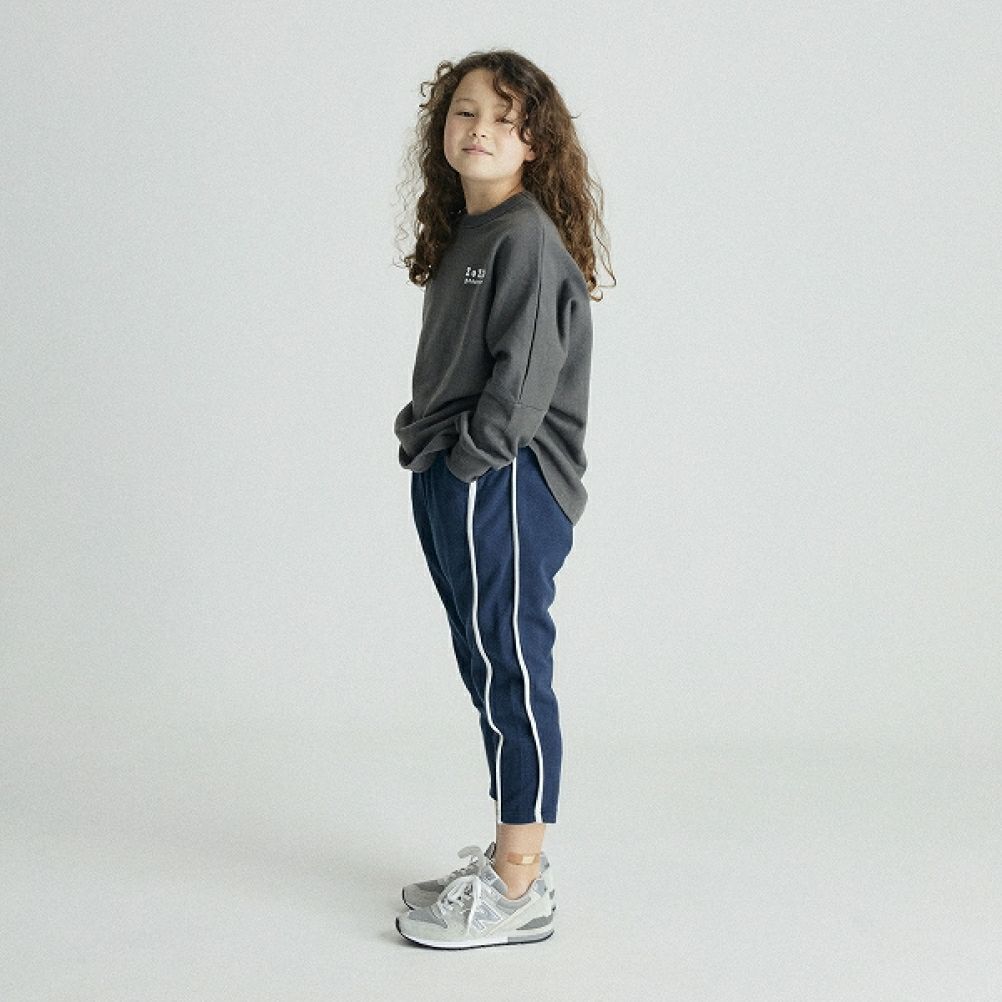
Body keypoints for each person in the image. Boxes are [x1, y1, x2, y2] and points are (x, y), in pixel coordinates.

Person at [391, 48, 614, 949]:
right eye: (464, 111)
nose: (478, 128)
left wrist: (468, 464)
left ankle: (520, 885)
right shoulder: (472, 233)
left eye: (504, 118)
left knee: (512, 671)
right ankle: (506, 857)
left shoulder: (523, 237)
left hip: (505, 482)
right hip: (456, 475)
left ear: (534, 144)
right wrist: (425, 447)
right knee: (486, 668)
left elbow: (521, 387)